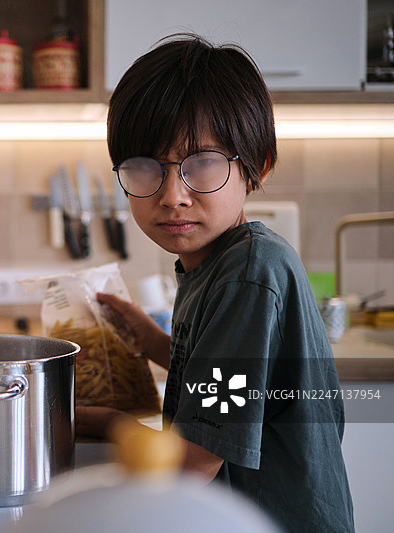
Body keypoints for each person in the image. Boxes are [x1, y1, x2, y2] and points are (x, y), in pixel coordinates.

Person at [77, 34, 354, 532]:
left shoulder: (248, 274)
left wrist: (104, 424)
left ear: (255, 167)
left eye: (200, 163)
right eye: (144, 168)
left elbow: (193, 462)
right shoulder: (213, 263)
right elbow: (225, 382)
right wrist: (152, 340)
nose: (172, 195)